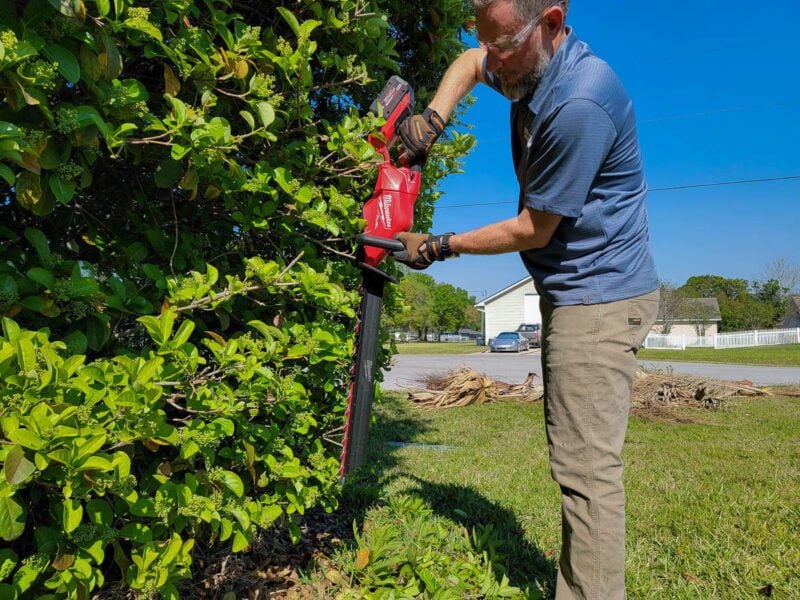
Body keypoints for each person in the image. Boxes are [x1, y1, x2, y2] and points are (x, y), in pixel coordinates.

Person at [392, 1, 660, 598]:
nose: (495, 62)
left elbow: (533, 228)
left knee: (585, 472)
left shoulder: (579, 103)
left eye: (505, 47)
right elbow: (468, 60)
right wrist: (435, 117)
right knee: (578, 462)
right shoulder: (521, 58)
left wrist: (437, 245)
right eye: (490, 44)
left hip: (598, 297)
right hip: (580, 290)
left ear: (553, 20)